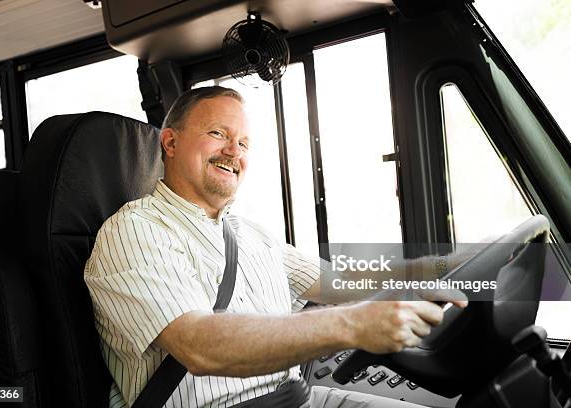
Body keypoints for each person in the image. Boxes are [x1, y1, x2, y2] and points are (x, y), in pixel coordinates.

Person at [83, 86, 468, 408]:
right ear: (170, 141)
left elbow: (340, 282)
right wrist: (354, 323)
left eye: (244, 142)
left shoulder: (251, 234)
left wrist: (442, 266)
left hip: (301, 399)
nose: (234, 151)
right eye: (218, 133)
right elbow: (198, 346)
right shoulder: (135, 231)